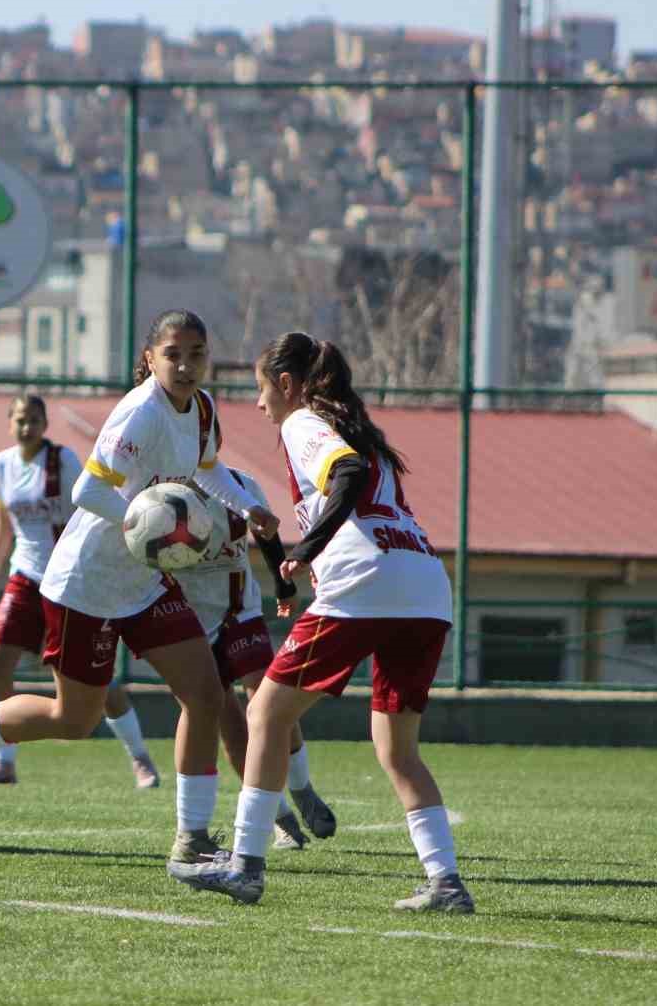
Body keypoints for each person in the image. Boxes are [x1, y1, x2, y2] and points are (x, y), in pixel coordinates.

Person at [0, 310, 280, 872]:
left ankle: (192, 839)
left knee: (205, 695)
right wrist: (147, 520)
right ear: (150, 359)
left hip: (145, 580)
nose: (185, 365)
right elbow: (87, 489)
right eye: (173, 354)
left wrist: (248, 506)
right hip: (86, 583)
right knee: (73, 720)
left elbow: (207, 469)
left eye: (197, 354)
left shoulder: (203, 409)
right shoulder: (140, 413)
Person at [169, 333, 472, 912]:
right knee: (398, 750)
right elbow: (361, 483)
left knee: (265, 713)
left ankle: (246, 866)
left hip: (367, 583)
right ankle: (446, 882)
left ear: (287, 384)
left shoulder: (302, 422)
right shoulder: (362, 429)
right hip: (426, 587)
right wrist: (296, 573)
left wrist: (306, 551)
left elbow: (346, 474)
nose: (260, 403)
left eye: (261, 389)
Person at [0, 393, 160, 789]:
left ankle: (140, 757)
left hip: (68, 582)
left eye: (34, 419)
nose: (27, 427)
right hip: (25, 576)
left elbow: (91, 509)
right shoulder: (0, 465)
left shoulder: (64, 461)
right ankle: (4, 762)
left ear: (45, 424)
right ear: (9, 423)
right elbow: (4, 522)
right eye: (20, 419)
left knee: (96, 682)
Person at [176, 463, 337, 850]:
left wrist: (283, 588)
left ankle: (302, 789)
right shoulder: (161, 488)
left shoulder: (240, 484)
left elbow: (267, 535)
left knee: (267, 699)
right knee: (227, 723)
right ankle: (280, 818)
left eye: (207, 436)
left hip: (240, 611)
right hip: (189, 623)